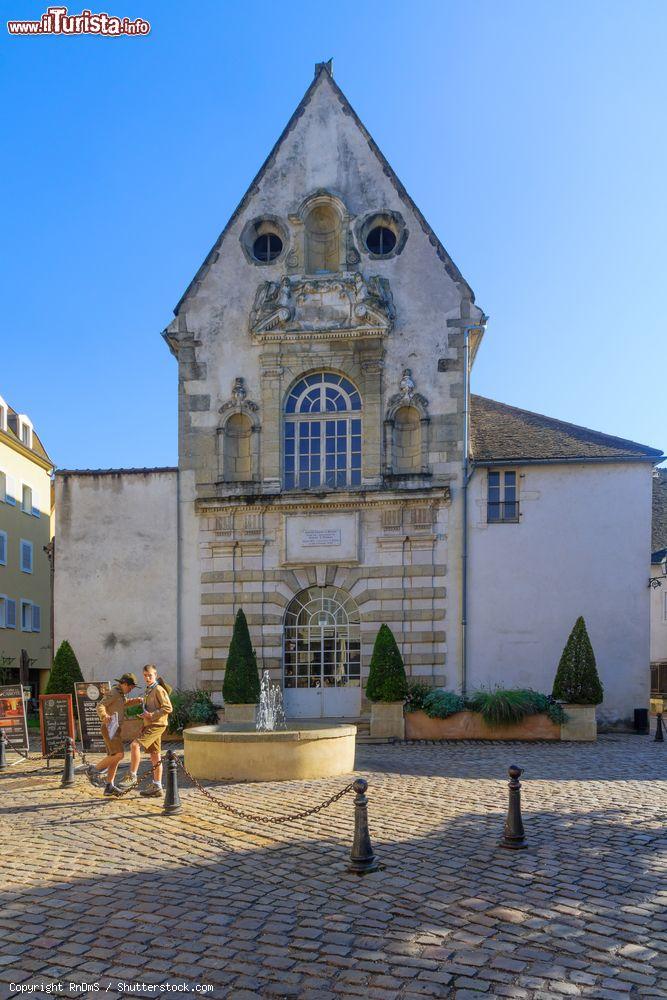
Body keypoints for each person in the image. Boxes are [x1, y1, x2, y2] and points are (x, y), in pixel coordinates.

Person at [86, 673, 142, 796]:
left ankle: (109, 786)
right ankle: (93, 770)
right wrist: (104, 716)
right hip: (109, 728)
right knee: (119, 755)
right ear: (125, 684)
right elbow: (101, 705)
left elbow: (123, 703)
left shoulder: (120, 694)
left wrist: (136, 701)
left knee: (114, 758)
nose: (131, 689)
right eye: (131, 687)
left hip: (114, 728)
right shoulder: (114, 692)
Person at [122, 664, 172, 797]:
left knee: (134, 745)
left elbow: (168, 708)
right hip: (150, 724)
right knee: (155, 755)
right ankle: (157, 786)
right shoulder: (149, 690)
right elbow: (150, 708)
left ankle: (132, 776)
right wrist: (145, 715)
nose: (147, 677)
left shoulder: (159, 689)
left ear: (155, 675)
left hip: (157, 725)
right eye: (145, 675)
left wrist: (151, 715)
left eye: (150, 675)